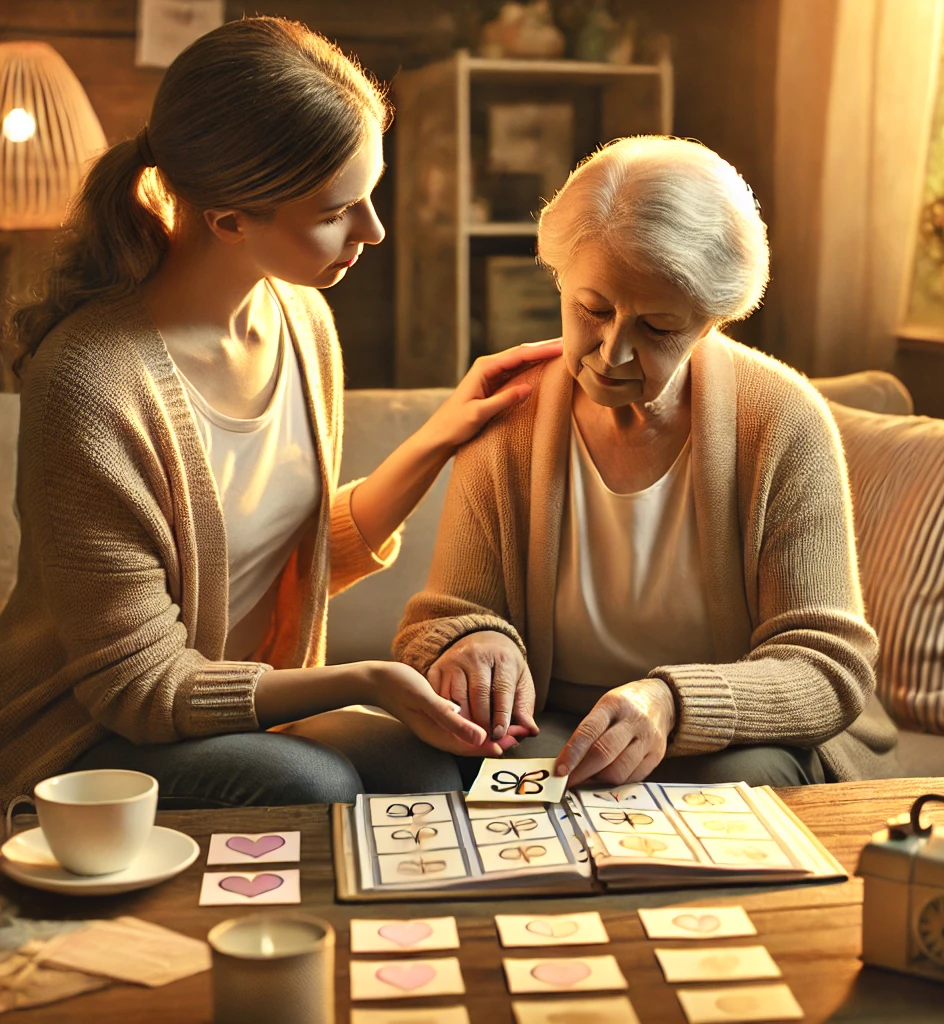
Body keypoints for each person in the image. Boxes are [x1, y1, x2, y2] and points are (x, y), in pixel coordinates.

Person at [0, 16, 560, 811]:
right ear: (231, 219)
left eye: (371, 194)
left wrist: (440, 435)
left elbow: (284, 559)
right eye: (338, 210)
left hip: (233, 713)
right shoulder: (92, 384)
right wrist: (367, 679)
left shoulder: (301, 320)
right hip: (87, 736)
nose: (373, 230)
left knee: (431, 768)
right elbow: (140, 688)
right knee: (312, 784)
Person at [395, 136, 900, 789]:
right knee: (499, 779)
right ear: (560, 279)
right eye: (592, 310)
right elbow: (442, 617)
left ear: (711, 322)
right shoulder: (510, 415)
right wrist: (472, 642)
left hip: (733, 736)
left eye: (658, 328)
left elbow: (826, 667)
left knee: (740, 789)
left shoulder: (783, 421)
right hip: (556, 723)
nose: (612, 352)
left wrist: (672, 703)